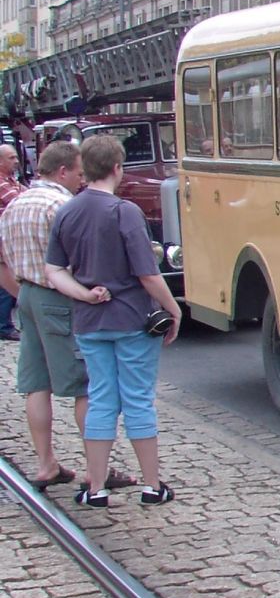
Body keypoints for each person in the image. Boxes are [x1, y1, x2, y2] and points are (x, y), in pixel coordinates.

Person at [45, 135, 183, 508]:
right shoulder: (124, 212)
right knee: (138, 400)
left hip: (90, 322)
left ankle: (96, 487)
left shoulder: (67, 212)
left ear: (84, 168)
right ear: (117, 168)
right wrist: (174, 308)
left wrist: (84, 294)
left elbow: (54, 270)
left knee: (101, 399)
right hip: (131, 319)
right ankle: (152, 486)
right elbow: (148, 274)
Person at [0, 141, 127, 490]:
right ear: (63, 171)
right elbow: (79, 259)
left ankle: (46, 463)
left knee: (35, 383)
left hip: (26, 295)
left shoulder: (16, 203)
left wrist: (24, 294)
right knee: (84, 385)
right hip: (60, 297)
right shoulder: (61, 206)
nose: (82, 182)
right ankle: (95, 470)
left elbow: (2, 260)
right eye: (79, 174)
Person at [0, 143, 28, 340]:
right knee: (4, 284)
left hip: (9, 239)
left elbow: (27, 193)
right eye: (11, 158)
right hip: (2, 239)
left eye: (16, 157)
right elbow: (20, 201)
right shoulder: (1, 182)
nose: (16, 161)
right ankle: (3, 326)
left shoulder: (11, 180)